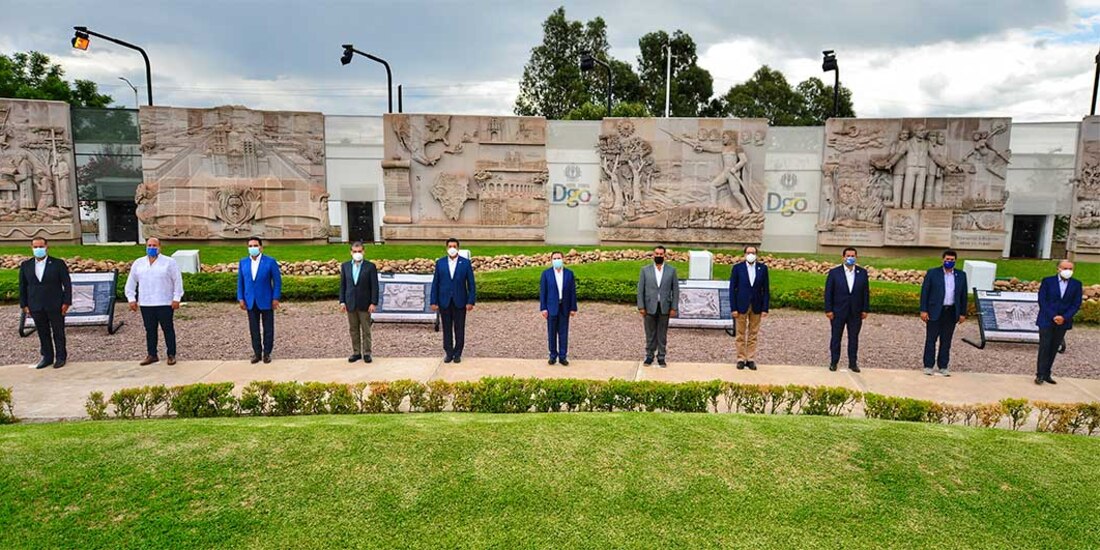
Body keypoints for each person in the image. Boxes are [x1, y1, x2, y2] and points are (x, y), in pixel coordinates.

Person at [125, 237, 184, 366]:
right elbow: (131, 282)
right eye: (149, 245)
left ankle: (171, 354)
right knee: (150, 330)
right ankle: (152, 354)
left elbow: (177, 281)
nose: (151, 248)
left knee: (167, 329)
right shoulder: (139, 263)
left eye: (154, 246)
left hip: (164, 302)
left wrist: (177, 298)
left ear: (159, 247)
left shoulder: (169, 262)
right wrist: (131, 298)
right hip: (146, 302)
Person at [18, 237, 72, 369]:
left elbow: (67, 284)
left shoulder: (58, 264)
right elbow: (23, 286)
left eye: (41, 247)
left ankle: (60, 357)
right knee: (43, 332)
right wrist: (24, 304)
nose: (38, 249)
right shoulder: (26, 265)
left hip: (55, 304)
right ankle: (47, 357)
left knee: (58, 332)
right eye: (35, 247)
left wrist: (66, 302)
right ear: (31, 248)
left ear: (47, 247)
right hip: (35, 304)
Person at [919, 249, 968, 376]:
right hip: (935, 311)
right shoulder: (932, 273)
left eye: (952, 260)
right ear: (943, 260)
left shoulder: (961, 275)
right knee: (931, 339)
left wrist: (962, 313)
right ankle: (928, 365)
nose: (949, 262)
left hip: (951, 311)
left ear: (955, 261)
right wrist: (923, 310)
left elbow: (963, 296)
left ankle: (943, 366)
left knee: (946, 341)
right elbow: (925, 292)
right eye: (947, 259)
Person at [1035, 260, 1083, 385]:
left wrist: (1064, 317)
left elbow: (1076, 304)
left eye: (1070, 269)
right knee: (1045, 346)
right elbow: (1042, 300)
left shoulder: (1076, 284)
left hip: (1063, 321)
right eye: (1065, 268)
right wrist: (1053, 316)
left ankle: (1047, 373)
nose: (1068, 271)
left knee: (1054, 347)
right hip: (1047, 319)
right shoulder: (1048, 281)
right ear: (1058, 269)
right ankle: (1040, 374)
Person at [430, 237, 476, 363]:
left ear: (458, 248)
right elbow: (435, 283)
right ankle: (449, 353)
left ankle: (458, 353)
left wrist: (470, 301)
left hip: (460, 301)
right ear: (446, 248)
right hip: (444, 301)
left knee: (459, 328)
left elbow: (471, 284)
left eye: (454, 246)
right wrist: (433, 301)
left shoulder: (465, 263)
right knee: (447, 328)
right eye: (450, 246)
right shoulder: (440, 263)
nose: (452, 249)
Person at [824, 247, 870, 372]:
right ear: (843, 257)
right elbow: (828, 292)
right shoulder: (834, 273)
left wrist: (865, 309)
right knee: (836, 337)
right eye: (848, 256)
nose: (850, 258)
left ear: (856, 257)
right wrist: (828, 310)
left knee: (853, 338)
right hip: (838, 311)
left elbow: (865, 292)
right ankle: (834, 362)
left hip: (855, 311)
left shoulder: (862, 273)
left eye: (852, 256)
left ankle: (853, 363)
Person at [237, 237, 282, 364]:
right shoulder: (243, 262)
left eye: (255, 245)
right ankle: (257, 353)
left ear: (261, 247)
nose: (253, 248)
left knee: (268, 328)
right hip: (250, 300)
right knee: (254, 329)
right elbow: (240, 282)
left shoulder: (270, 261)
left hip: (266, 300)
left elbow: (277, 282)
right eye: (250, 246)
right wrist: (240, 298)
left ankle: (267, 353)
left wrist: (275, 298)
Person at [637, 245, 679, 367]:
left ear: (664, 255)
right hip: (649, 306)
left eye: (661, 254)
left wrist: (674, 307)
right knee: (650, 333)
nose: (659, 256)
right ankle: (649, 356)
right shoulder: (645, 270)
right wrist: (641, 306)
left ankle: (661, 357)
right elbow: (640, 290)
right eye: (657, 254)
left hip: (665, 307)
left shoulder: (671, 271)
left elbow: (675, 290)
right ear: (653, 255)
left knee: (662, 334)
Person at [729, 245, 770, 370]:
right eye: (748, 252)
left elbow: (766, 289)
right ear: (744, 254)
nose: (750, 255)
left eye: (753, 252)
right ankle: (741, 358)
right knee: (740, 333)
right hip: (741, 305)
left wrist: (765, 308)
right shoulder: (738, 268)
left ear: (756, 254)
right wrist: (733, 308)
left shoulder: (762, 268)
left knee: (753, 333)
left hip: (756, 305)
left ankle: (750, 358)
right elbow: (732, 289)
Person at [339, 241, 379, 363]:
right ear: (351, 252)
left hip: (365, 303)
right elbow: (343, 285)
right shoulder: (345, 266)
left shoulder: (370, 267)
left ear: (363, 252)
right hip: (350, 302)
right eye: (355, 251)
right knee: (353, 329)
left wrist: (373, 302)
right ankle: (356, 352)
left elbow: (374, 286)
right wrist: (342, 301)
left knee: (366, 329)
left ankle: (367, 353)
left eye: (359, 251)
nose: (357, 253)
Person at [539, 251, 578, 366]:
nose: (557, 260)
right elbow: (543, 292)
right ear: (551, 260)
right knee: (552, 333)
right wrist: (543, 308)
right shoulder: (546, 274)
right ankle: (552, 356)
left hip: (564, 307)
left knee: (563, 333)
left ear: (563, 259)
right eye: (554, 259)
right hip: (551, 307)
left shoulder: (569, 274)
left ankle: (562, 356)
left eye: (558, 258)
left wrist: (573, 308)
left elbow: (572, 292)